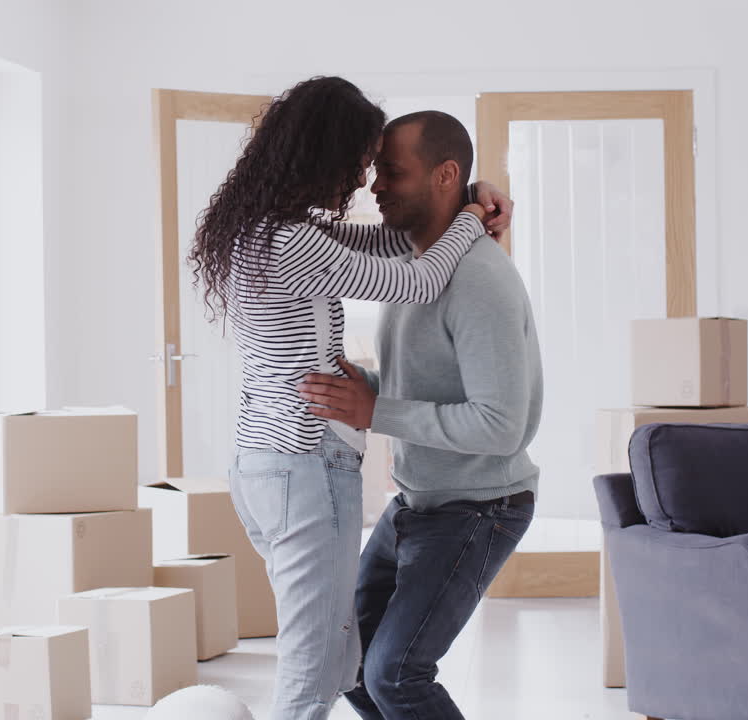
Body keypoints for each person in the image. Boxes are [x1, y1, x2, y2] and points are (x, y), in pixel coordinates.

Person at [188, 78, 513, 720]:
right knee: (314, 675)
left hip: (259, 463)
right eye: (364, 161)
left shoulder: (256, 228)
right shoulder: (295, 240)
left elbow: (394, 241)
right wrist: (472, 219)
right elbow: (418, 278)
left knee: (336, 661)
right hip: (305, 464)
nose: (366, 180)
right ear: (327, 154)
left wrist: (465, 199)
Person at [297, 110, 543, 720]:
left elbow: (499, 425)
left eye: (391, 173)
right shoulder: (416, 262)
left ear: (445, 175)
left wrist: (377, 409)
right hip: (421, 500)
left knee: (397, 676)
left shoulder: (479, 280)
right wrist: (372, 388)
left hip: (479, 506)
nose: (375, 187)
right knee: (349, 661)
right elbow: (435, 379)